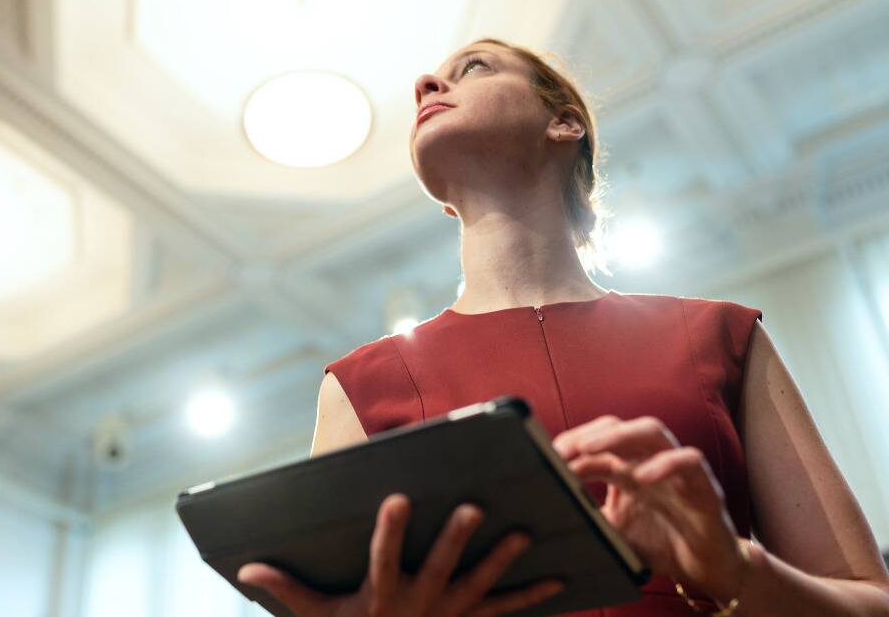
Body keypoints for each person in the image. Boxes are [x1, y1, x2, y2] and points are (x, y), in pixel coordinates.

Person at [235, 38, 889, 616]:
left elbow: (868, 601)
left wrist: (734, 569)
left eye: (474, 68)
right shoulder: (358, 387)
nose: (426, 87)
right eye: (431, 81)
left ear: (564, 121)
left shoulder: (724, 338)